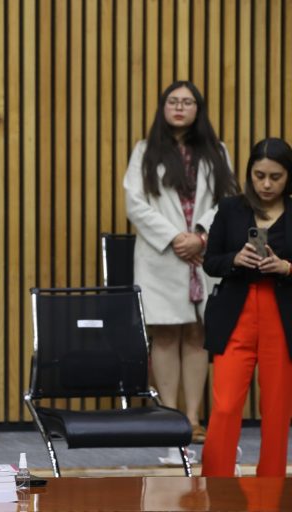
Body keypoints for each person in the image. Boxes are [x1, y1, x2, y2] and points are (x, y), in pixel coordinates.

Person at [124, 80, 238, 450]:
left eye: (187, 102)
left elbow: (228, 199)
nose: (179, 107)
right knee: (166, 333)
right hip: (163, 256)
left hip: (203, 254)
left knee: (197, 332)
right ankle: (167, 414)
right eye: (173, 101)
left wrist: (201, 235)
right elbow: (135, 204)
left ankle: (192, 417)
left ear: (197, 109)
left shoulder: (216, 151)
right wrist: (176, 238)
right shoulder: (145, 151)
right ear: (163, 107)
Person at [201, 137, 292, 477]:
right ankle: (215, 485)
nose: (266, 184)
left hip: (281, 316)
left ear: (288, 176)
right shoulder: (230, 208)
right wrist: (234, 259)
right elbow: (210, 262)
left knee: (277, 408)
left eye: (275, 177)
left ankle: (271, 489)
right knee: (225, 406)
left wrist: (287, 268)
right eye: (259, 175)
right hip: (236, 313)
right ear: (250, 173)